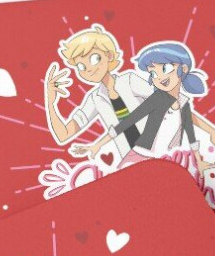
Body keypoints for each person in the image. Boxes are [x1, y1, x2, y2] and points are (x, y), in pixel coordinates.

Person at [79, 41, 215, 171]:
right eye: (153, 74)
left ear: (184, 69)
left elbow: (191, 134)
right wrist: (97, 145)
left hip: (165, 162)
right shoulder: (158, 99)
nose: (159, 78)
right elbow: (128, 122)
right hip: (140, 157)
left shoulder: (184, 103)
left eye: (165, 69)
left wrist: (199, 159)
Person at [43, 24, 152, 164]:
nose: (89, 69)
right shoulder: (95, 99)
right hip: (132, 159)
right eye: (81, 66)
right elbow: (63, 135)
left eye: (95, 58)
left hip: (157, 148)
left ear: (109, 55)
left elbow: (165, 102)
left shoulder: (129, 80)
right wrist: (50, 102)